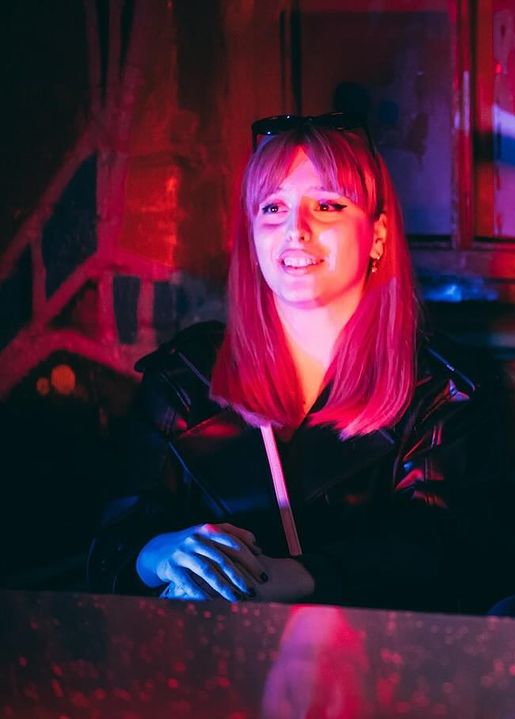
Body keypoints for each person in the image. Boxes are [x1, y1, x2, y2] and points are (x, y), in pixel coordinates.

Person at [88, 114, 488, 611]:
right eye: (273, 207)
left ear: (378, 235)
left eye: (327, 205)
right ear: (253, 236)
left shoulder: (440, 387)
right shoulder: (186, 374)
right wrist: (164, 554)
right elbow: (113, 539)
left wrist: (294, 576)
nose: (296, 229)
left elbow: (441, 554)